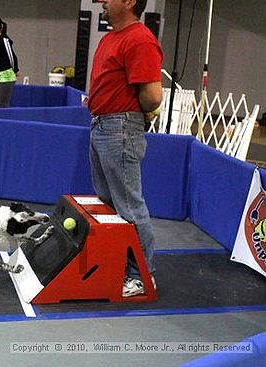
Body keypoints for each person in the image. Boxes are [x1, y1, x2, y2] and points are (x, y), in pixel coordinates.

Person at [87, 0, 163, 297]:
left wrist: (132, 114)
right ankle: (120, 266)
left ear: (130, 1)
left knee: (129, 207)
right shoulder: (111, 38)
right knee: (110, 203)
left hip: (119, 128)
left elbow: (152, 97)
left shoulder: (139, 39)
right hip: (102, 125)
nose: (102, 1)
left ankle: (144, 275)